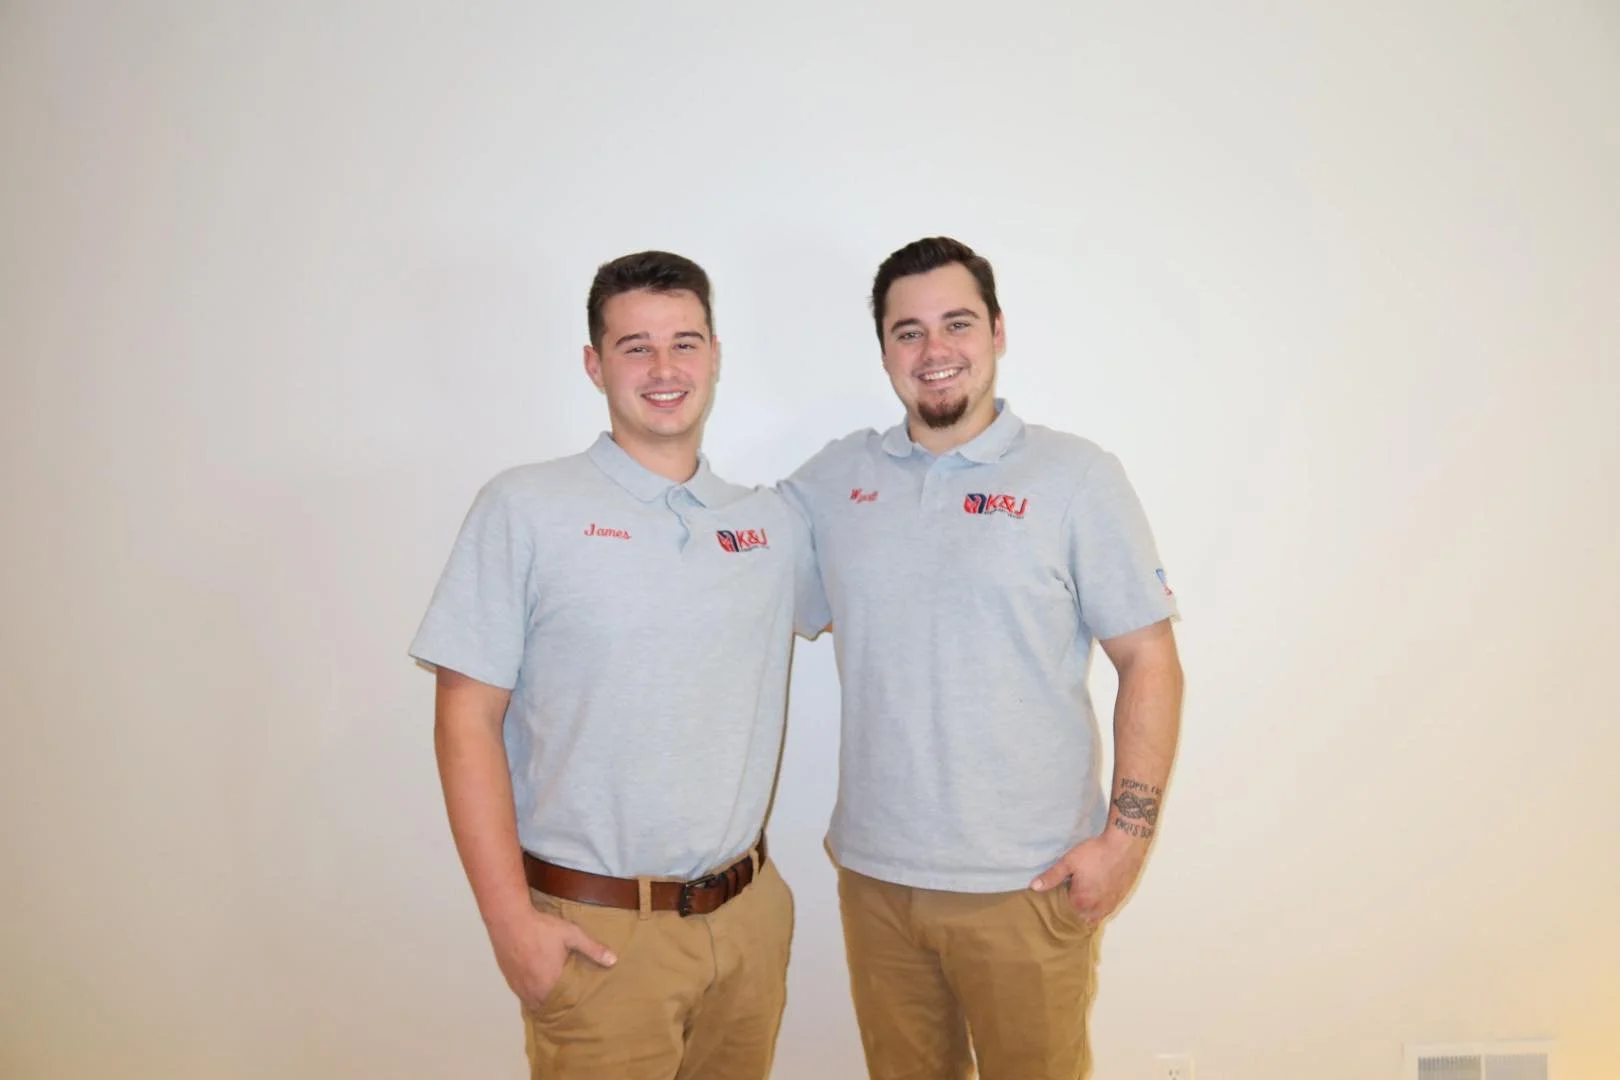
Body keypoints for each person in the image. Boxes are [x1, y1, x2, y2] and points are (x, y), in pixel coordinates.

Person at [410, 250, 826, 1079]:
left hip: (748, 920)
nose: (665, 368)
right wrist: (509, 927)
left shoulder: (773, 526)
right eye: (636, 346)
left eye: (685, 342)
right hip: (595, 931)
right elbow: (466, 719)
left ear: (715, 354)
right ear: (595, 365)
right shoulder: (524, 508)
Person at [781, 236, 1185, 1079]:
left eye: (956, 324)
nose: (934, 352)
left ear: (997, 331)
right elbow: (731, 594)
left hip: (1027, 886)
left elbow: (1149, 659)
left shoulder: (1074, 477)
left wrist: (1126, 840)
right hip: (878, 879)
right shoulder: (833, 481)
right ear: (886, 349)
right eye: (908, 332)